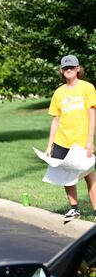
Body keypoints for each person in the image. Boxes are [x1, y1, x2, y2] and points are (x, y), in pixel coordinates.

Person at [45, 55, 96, 222]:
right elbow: (56, 120)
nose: (69, 70)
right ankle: (74, 209)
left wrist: (90, 141)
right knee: (66, 177)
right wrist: (49, 145)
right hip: (62, 141)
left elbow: (92, 115)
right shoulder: (58, 93)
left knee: (89, 175)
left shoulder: (87, 88)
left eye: (72, 67)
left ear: (78, 69)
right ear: (61, 70)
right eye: (66, 68)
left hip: (81, 142)